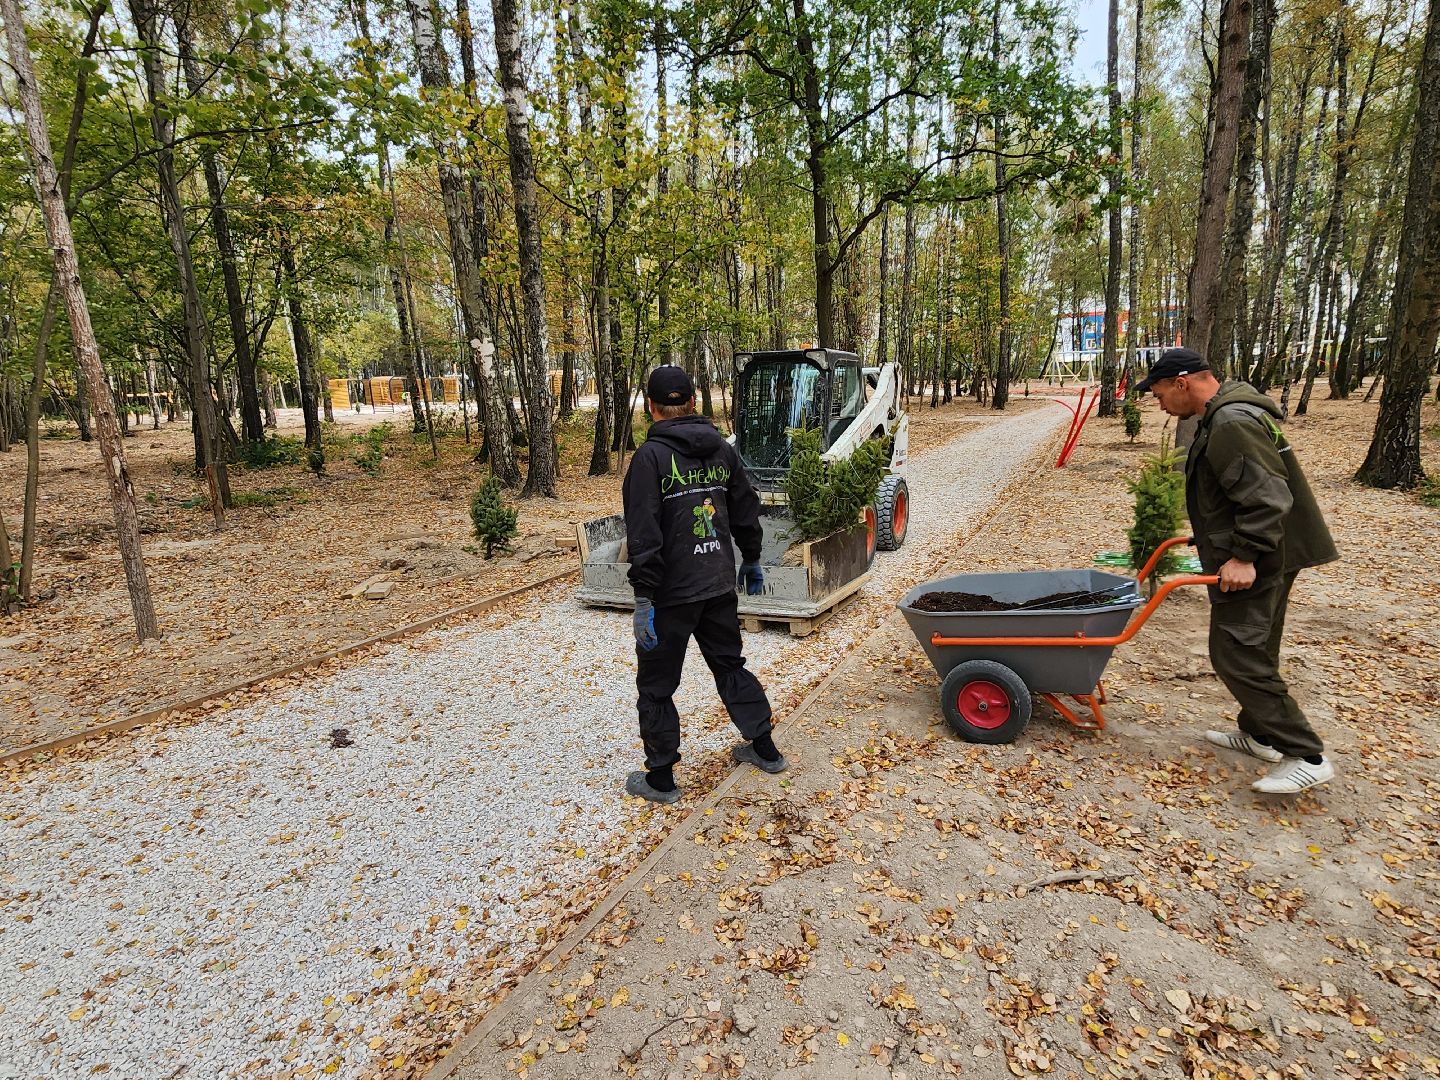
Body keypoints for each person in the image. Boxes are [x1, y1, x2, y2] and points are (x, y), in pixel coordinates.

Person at [1137, 347, 1339, 794]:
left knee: (1236, 653)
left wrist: (1245, 555)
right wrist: (1211, 536)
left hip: (1262, 558)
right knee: (1256, 646)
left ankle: (1305, 754)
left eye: (1159, 393)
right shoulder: (1227, 412)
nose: (1159, 403)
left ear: (1182, 383)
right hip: (1275, 551)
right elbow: (1235, 492)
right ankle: (1261, 735)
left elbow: (1267, 498)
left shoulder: (1231, 422)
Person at [621, 365, 787, 804]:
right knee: (730, 665)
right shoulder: (722, 450)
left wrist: (643, 598)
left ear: (651, 407)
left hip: (670, 595)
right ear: (693, 402)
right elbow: (746, 507)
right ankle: (765, 748)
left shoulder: (649, 459)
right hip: (717, 583)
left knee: (656, 685)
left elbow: (643, 533)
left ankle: (661, 779)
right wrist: (751, 558)